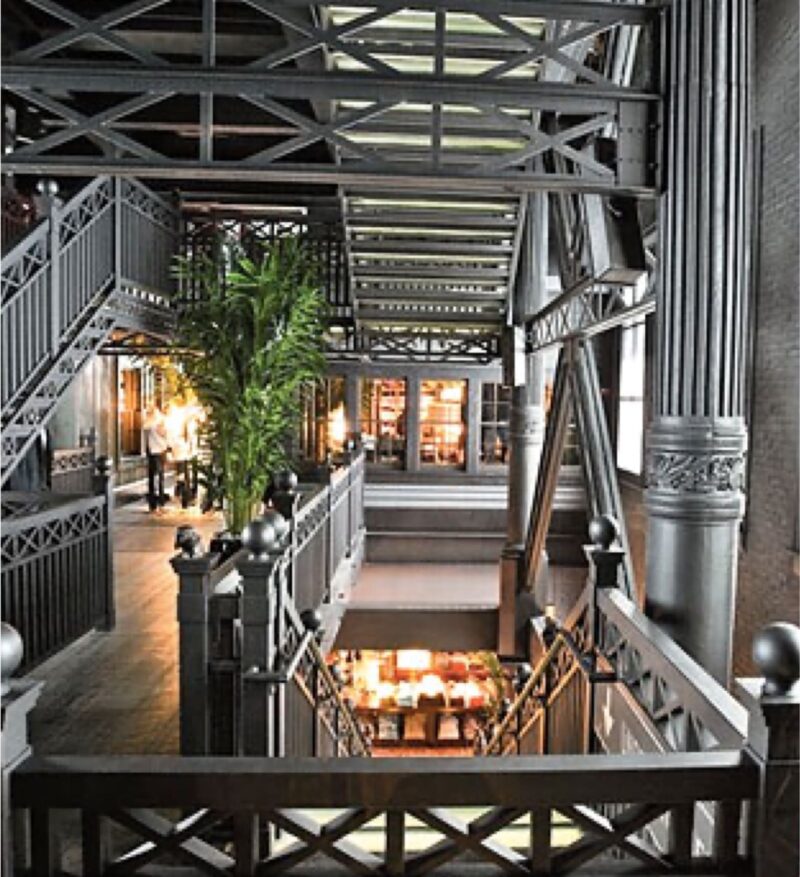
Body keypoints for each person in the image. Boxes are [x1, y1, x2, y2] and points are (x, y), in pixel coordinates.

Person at [143, 405, 169, 513]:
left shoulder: (151, 422)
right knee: (159, 477)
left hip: (154, 451)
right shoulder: (158, 421)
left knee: (154, 477)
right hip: (158, 451)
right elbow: (164, 433)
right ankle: (159, 503)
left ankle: (154, 504)